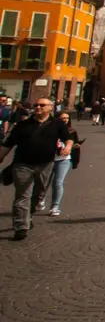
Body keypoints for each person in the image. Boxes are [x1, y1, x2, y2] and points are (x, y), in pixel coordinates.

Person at [0, 98, 72, 240]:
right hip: (22, 164)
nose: (38, 107)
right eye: (36, 104)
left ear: (50, 108)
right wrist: (1, 156)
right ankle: (21, 227)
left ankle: (29, 215)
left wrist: (68, 148)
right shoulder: (23, 125)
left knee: (39, 194)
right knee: (22, 195)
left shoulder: (57, 124)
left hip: (45, 164)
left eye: (42, 105)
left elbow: (68, 137)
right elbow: (8, 143)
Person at [45, 111, 82, 216]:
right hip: (48, 158)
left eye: (67, 118)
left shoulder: (71, 131)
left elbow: (75, 143)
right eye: (62, 118)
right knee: (44, 182)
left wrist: (74, 147)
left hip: (64, 159)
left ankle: (54, 207)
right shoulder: (49, 129)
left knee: (57, 183)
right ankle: (39, 200)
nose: (65, 120)